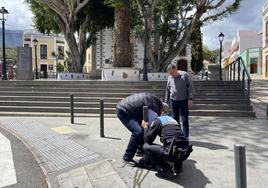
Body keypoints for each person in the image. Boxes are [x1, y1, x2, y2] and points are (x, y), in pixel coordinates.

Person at [139, 111, 193, 178]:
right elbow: (178, 138)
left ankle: (166, 169)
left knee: (146, 147)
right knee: (177, 142)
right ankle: (178, 167)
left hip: (171, 154)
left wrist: (145, 127)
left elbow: (147, 140)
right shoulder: (173, 121)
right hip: (185, 153)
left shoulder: (158, 121)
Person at [116, 92, 163, 166]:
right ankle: (127, 157)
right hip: (124, 111)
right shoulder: (154, 106)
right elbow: (152, 126)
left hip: (129, 109)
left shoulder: (154, 100)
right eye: (162, 112)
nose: (161, 114)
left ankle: (140, 150)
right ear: (161, 108)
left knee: (142, 129)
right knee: (138, 132)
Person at [165, 62, 193, 137]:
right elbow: (167, 90)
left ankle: (185, 138)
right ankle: (178, 136)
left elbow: (190, 87)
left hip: (183, 101)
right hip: (173, 101)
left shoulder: (184, 75)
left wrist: (190, 98)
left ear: (176, 69)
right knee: (175, 120)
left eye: (172, 72)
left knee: (184, 120)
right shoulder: (169, 77)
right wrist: (166, 102)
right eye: (169, 73)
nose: (171, 74)